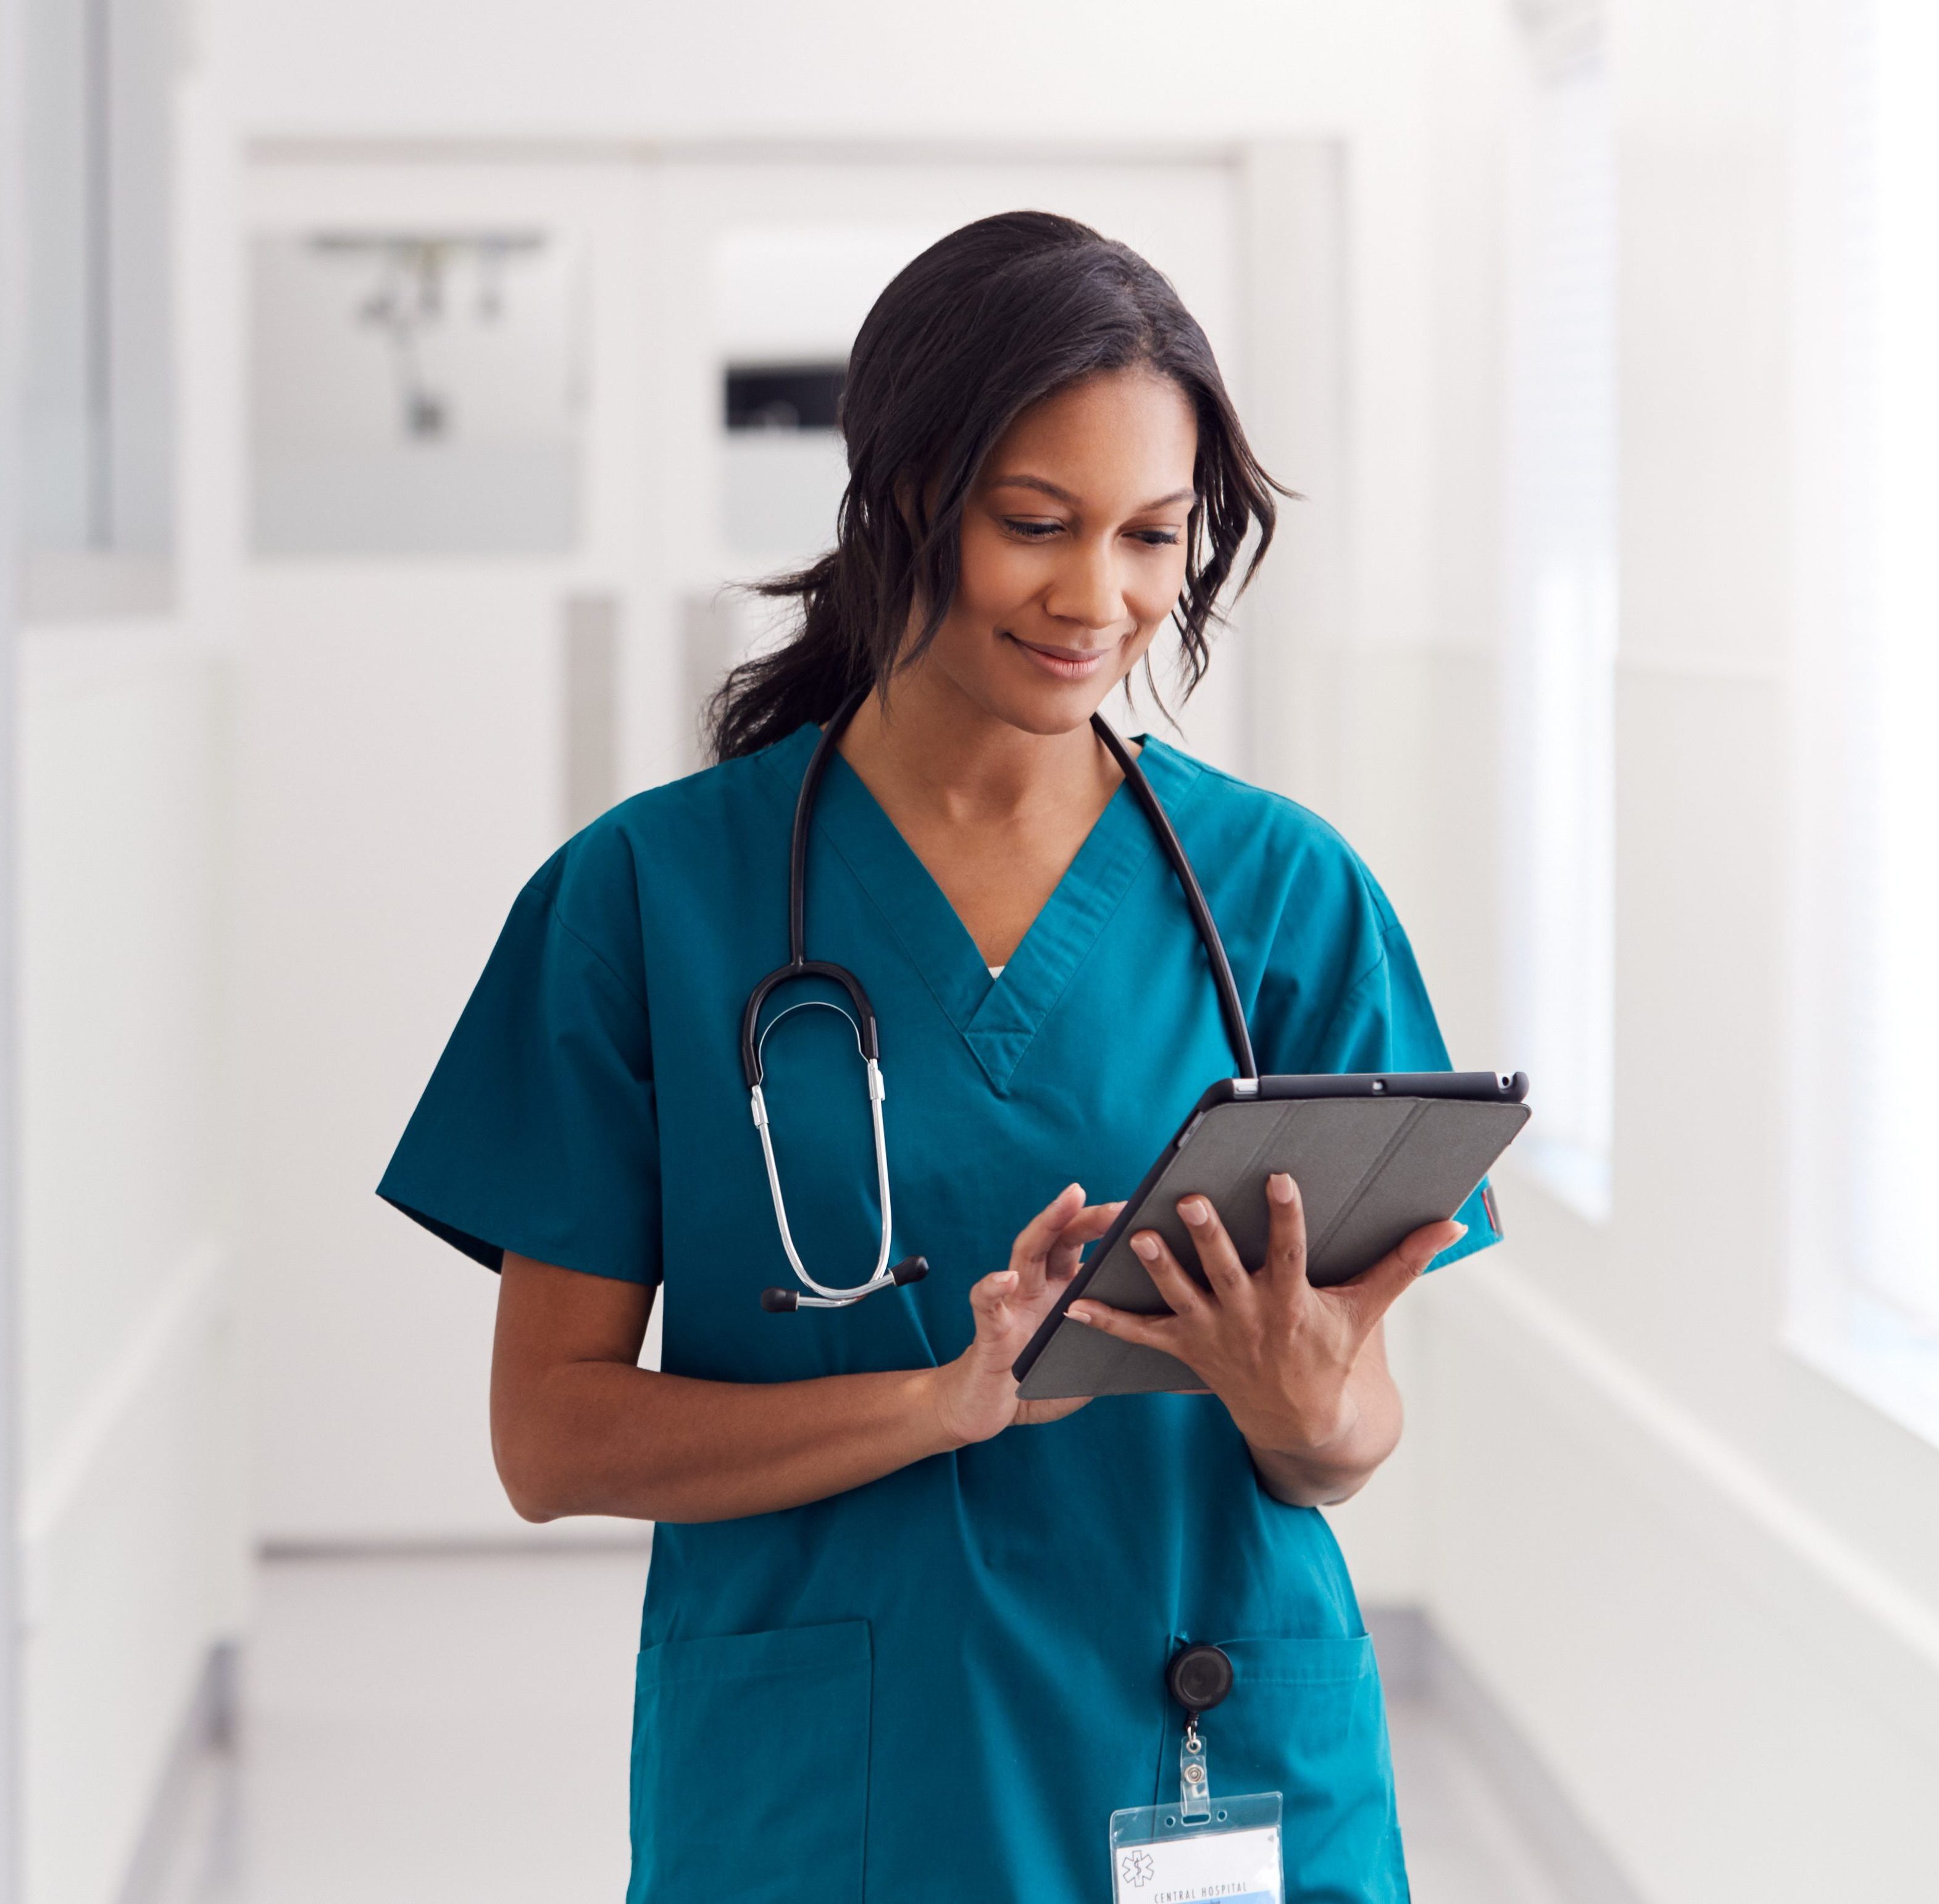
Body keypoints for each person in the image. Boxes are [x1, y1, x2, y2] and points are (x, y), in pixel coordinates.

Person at [379, 210, 1498, 1904]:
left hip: (1201, 1743)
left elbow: (1347, 1429)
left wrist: (1309, 1410)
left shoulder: (1284, 900)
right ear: (902, 495)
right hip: (834, 1785)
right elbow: (552, 1438)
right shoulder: (649, 900)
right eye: (1035, 524)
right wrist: (936, 1403)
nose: (1099, 598)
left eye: (1152, 537)